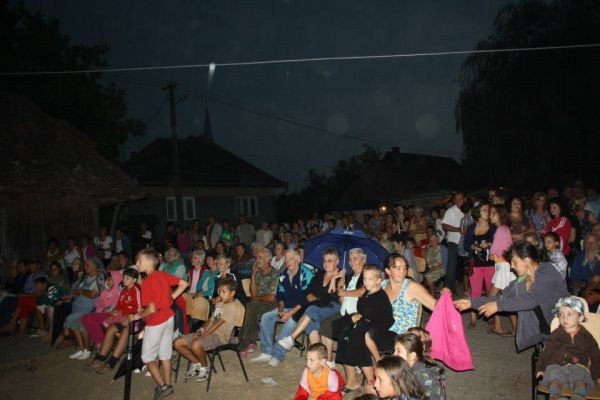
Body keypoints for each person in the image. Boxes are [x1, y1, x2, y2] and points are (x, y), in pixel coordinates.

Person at [455, 242, 568, 351]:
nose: (512, 267)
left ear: (527, 260)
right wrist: (472, 303)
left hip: (565, 331)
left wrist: (498, 306)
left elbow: (531, 299)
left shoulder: (548, 272)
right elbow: (502, 298)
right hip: (545, 334)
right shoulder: (521, 281)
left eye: (514, 262)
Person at [129, 249, 189, 400]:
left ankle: (162, 385)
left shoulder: (148, 282)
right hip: (168, 316)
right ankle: (167, 386)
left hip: (156, 321)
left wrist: (136, 316)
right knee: (165, 355)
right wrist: (171, 298)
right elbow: (184, 283)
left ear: (150, 262)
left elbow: (151, 309)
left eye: (139, 261)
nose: (137, 264)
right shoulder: (162, 274)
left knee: (147, 357)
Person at [335, 265, 394, 395]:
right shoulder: (367, 292)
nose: (366, 282)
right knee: (344, 335)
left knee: (358, 337)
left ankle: (373, 374)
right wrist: (357, 316)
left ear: (378, 281)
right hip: (367, 322)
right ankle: (351, 381)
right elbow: (363, 311)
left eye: (370, 279)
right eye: (365, 278)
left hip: (380, 326)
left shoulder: (380, 296)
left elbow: (377, 316)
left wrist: (360, 319)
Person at [250, 248, 314, 367]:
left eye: (290, 259)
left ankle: (277, 355)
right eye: (286, 259)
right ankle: (266, 352)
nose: (287, 262)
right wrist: (280, 310)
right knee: (266, 317)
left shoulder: (306, 273)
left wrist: (289, 314)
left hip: (302, 310)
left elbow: (305, 299)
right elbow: (280, 294)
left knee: (290, 322)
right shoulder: (284, 273)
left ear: (298, 260)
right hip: (286, 307)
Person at [174, 277, 244, 381]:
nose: (220, 294)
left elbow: (217, 324)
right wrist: (200, 330)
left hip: (220, 337)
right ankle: (196, 363)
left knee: (195, 344)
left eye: (223, 292)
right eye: (219, 291)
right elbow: (211, 320)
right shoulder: (220, 303)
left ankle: (204, 367)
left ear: (232, 293)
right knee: (177, 343)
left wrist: (201, 335)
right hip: (208, 333)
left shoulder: (233, 307)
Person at [277, 248, 343, 352]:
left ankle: (291, 338)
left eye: (330, 261)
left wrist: (334, 279)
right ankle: (318, 355)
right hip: (318, 305)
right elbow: (308, 292)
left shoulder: (341, 276)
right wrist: (315, 298)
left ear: (337, 262)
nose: (326, 263)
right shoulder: (319, 274)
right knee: (312, 323)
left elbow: (332, 296)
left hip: (333, 307)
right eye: (325, 260)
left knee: (311, 309)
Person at [536, 296, 600, 400]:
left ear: (580, 318)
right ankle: (556, 396)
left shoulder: (586, 336)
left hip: (578, 364)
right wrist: (540, 368)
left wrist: (597, 374)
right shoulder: (556, 334)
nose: (564, 318)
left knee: (580, 378)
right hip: (556, 364)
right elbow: (546, 352)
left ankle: (579, 396)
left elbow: (596, 355)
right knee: (553, 376)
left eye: (569, 314)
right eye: (561, 314)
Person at [319, 248, 367, 369]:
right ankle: (329, 360)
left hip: (358, 314)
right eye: (350, 259)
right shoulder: (349, 277)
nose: (352, 261)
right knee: (325, 325)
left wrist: (345, 292)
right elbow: (342, 300)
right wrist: (340, 287)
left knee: (346, 333)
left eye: (355, 258)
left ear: (363, 260)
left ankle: (356, 361)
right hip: (344, 312)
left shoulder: (367, 275)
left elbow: (363, 292)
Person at [89, 268, 141, 374]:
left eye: (128, 278)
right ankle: (101, 357)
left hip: (134, 319)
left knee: (126, 331)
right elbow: (119, 305)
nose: (124, 280)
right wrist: (114, 312)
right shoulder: (123, 291)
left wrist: (129, 315)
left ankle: (112, 362)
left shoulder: (136, 290)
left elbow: (139, 308)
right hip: (122, 318)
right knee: (111, 328)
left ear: (134, 280)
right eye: (124, 277)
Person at [240, 247, 279, 353]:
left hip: (271, 304)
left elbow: (272, 297)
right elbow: (252, 294)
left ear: (267, 259)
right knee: (249, 307)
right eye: (256, 257)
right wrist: (253, 275)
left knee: (250, 306)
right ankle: (250, 342)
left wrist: (256, 298)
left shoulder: (275, 273)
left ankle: (245, 343)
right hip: (258, 304)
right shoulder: (257, 272)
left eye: (259, 257)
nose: (257, 260)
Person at [463, 201, 496, 328]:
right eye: (484, 210)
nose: (487, 212)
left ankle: (490, 316)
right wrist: (475, 247)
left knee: (490, 291)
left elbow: (498, 243)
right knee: (475, 291)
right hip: (475, 263)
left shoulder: (493, 227)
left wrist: (489, 244)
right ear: (478, 213)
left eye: (488, 209)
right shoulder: (472, 228)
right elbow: (466, 245)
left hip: (490, 264)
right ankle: (473, 318)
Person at [64, 258, 105, 360]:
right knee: (76, 326)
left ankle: (86, 349)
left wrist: (82, 291)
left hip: (88, 308)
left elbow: (93, 294)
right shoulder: (86, 277)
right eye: (85, 264)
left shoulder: (99, 278)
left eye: (88, 265)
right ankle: (83, 349)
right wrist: (81, 292)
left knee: (70, 319)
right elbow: (77, 292)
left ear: (95, 266)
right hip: (78, 306)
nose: (85, 267)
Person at [488, 204, 516, 336]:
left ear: (500, 215)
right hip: (504, 266)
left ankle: (504, 327)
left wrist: (490, 251)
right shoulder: (504, 229)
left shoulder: (501, 230)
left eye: (493, 213)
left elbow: (493, 252)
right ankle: (503, 327)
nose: (490, 215)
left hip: (503, 268)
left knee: (494, 298)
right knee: (503, 298)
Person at [80, 270, 123, 352]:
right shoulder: (105, 292)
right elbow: (97, 303)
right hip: (102, 313)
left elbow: (115, 307)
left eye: (109, 279)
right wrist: (103, 308)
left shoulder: (119, 293)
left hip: (112, 316)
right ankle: (101, 343)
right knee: (86, 318)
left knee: (87, 318)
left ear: (116, 280)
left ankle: (100, 343)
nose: (107, 281)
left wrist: (105, 308)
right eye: (107, 279)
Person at [394, 333, 445, 400]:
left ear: (412, 356)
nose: (394, 354)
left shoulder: (422, 375)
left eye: (398, 351)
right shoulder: (410, 368)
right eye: (395, 351)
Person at [442, 192, 466, 294]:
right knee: (451, 266)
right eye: (456, 199)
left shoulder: (466, 210)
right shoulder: (450, 211)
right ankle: (448, 290)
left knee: (463, 267)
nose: (458, 201)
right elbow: (444, 226)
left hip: (465, 242)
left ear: (464, 199)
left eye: (460, 199)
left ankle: (459, 288)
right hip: (453, 241)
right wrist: (458, 229)